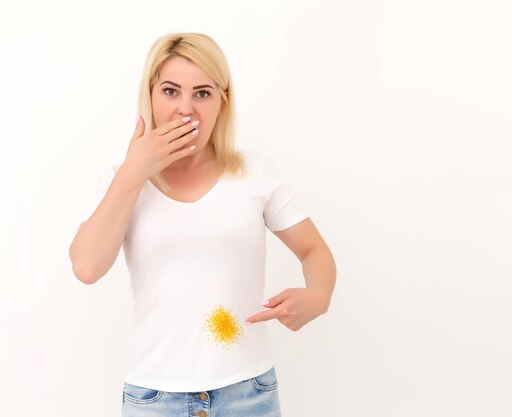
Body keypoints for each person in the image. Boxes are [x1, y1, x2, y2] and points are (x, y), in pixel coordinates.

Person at [68, 32, 336, 417]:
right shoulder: (121, 181)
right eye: (171, 91)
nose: (185, 110)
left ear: (222, 101)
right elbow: (87, 267)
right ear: (151, 95)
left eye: (202, 93)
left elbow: (314, 251)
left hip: (249, 394)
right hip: (153, 399)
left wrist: (320, 295)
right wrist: (133, 172)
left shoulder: (255, 172)